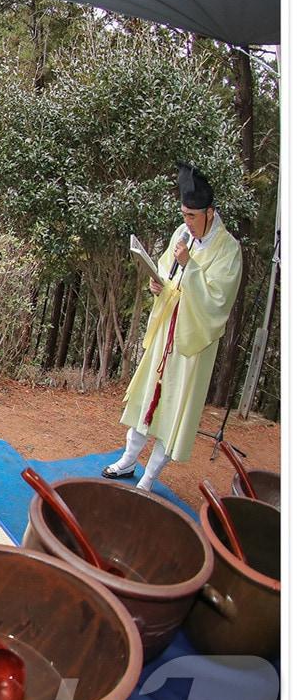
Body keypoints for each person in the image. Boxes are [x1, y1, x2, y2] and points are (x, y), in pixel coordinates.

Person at [103, 163, 242, 493]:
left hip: (192, 342)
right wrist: (159, 285)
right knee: (147, 394)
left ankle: (150, 477)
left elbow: (218, 301)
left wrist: (189, 268)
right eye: (184, 215)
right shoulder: (182, 234)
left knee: (174, 406)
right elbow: (166, 271)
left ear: (210, 212)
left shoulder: (228, 249)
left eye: (193, 216)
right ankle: (128, 459)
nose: (187, 223)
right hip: (167, 329)